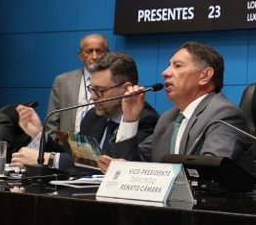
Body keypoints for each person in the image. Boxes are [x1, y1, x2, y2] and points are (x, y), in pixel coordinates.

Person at [110, 42, 251, 168]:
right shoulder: (168, 118)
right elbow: (133, 165)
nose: (165, 72)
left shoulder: (223, 114)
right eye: (168, 65)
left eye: (177, 66)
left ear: (205, 76)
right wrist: (130, 120)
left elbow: (211, 171)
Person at [11, 52, 159, 171]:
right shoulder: (93, 116)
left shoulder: (146, 120)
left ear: (126, 89)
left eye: (100, 90)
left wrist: (49, 158)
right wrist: (38, 133)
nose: (92, 97)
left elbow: (109, 163)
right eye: (91, 89)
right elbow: (77, 156)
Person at [45, 33, 109, 134]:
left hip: (101, 145)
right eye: (89, 51)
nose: (95, 56)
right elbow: (52, 122)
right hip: (66, 146)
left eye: (99, 51)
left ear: (107, 54)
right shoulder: (62, 81)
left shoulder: (115, 82)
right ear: (80, 56)